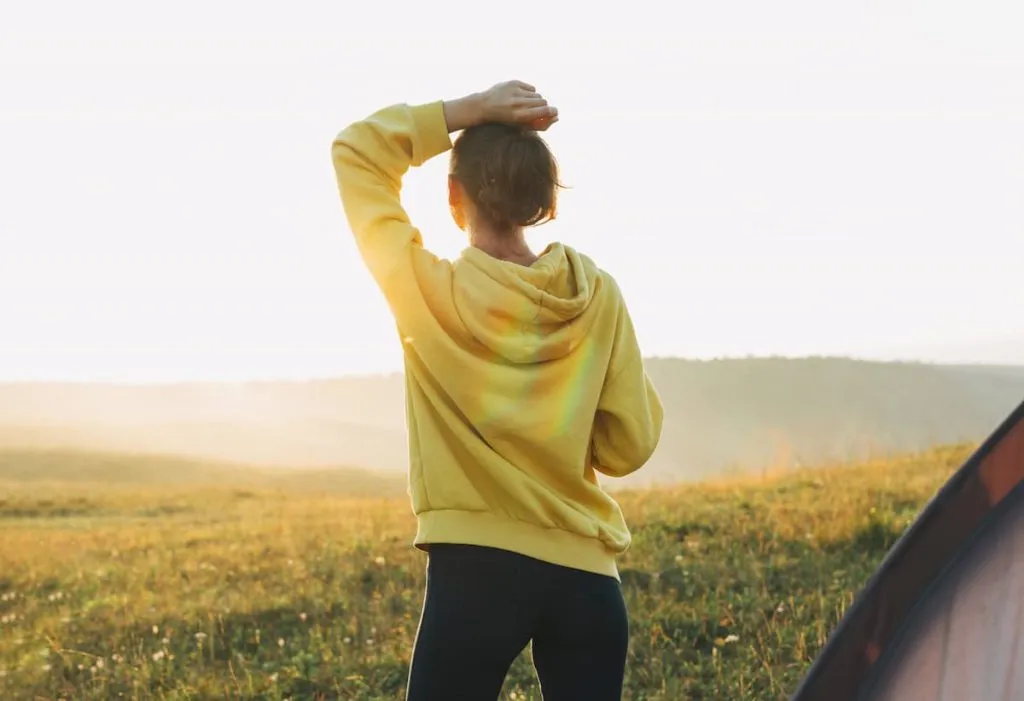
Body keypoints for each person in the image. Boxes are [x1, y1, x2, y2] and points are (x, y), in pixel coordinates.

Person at [331, 80, 664, 701]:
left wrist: (468, 110)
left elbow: (357, 149)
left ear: (454, 198)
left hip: (474, 574)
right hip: (588, 580)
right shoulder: (598, 295)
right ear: (544, 200)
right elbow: (629, 446)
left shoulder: (425, 290)